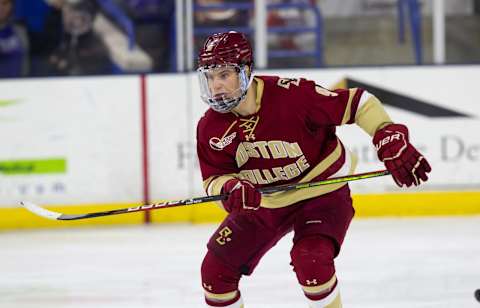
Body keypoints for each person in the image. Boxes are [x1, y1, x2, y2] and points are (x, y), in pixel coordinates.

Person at [195, 31, 431, 308]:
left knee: (312, 261)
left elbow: (359, 103)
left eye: (224, 75)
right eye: (210, 77)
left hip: (322, 195)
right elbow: (213, 176)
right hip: (264, 204)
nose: (216, 86)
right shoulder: (210, 126)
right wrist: (228, 187)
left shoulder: (293, 95)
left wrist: (387, 133)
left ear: (246, 71)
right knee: (215, 274)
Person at [0, 0, 29, 78]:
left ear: (11, 5)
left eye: (4, 3)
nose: (1, 7)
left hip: (18, 85)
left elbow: (25, 62)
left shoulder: (20, 30)